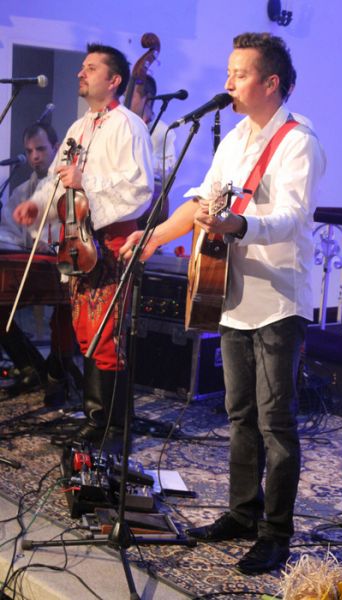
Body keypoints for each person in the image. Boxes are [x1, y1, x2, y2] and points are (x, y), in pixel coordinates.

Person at [120, 32, 326, 574]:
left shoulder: (299, 141)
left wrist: (237, 224)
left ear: (271, 82)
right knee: (240, 414)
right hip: (232, 295)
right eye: (229, 73)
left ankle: (276, 533)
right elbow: (201, 202)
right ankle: (241, 512)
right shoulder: (234, 137)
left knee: (275, 421)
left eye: (239, 74)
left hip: (278, 299)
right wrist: (153, 238)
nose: (228, 83)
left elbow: (291, 218)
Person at [14, 43, 154, 441]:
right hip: (78, 242)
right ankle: (96, 416)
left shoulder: (129, 125)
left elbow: (140, 188)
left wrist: (86, 181)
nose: (81, 73)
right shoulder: (78, 128)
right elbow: (59, 181)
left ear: (114, 80)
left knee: (107, 335)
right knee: (86, 333)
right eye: (81, 67)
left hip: (112, 242)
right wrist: (38, 205)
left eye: (90, 68)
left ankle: (110, 426)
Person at [0, 122, 77, 403]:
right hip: (28, 266)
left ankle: (59, 374)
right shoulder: (21, 192)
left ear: (56, 148)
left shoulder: (69, 188)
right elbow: (7, 232)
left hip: (61, 264)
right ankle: (31, 367)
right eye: (29, 150)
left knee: (64, 310)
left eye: (41, 149)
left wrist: (51, 246)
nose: (34, 156)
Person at [130, 74, 176, 228]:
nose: (125, 100)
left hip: (149, 202)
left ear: (147, 98)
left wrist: (142, 158)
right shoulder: (122, 128)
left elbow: (168, 169)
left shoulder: (163, 131)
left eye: (131, 95)